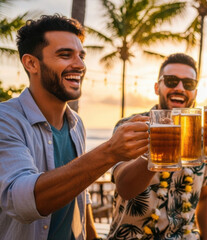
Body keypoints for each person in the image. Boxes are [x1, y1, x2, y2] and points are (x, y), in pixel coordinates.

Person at [0, 14, 150, 240]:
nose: (80, 65)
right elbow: (23, 202)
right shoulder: (6, 120)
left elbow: (82, 195)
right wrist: (110, 152)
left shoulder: (76, 124)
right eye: (65, 55)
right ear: (31, 63)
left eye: (81, 56)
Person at [108, 53, 207, 240]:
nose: (180, 88)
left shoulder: (201, 138)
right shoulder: (131, 127)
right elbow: (124, 188)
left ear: (195, 93)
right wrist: (159, 148)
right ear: (157, 87)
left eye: (188, 84)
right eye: (171, 81)